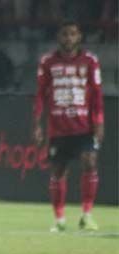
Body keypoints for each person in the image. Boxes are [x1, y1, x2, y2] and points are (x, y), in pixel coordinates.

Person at [33, 20, 104, 232]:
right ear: (58, 37)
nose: (68, 38)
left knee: (90, 161)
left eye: (73, 34)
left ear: (79, 36)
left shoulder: (90, 61)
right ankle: (59, 219)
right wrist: (37, 124)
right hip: (58, 127)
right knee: (58, 171)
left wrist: (99, 123)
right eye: (64, 34)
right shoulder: (48, 62)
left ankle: (87, 214)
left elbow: (97, 96)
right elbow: (39, 96)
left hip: (83, 126)